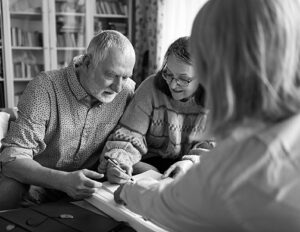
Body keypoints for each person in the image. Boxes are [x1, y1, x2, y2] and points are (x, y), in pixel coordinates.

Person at [113, 0, 300, 231]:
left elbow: (178, 203)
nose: (175, 84)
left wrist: (131, 191)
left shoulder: (245, 164)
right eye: (169, 74)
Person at [0, 30, 136, 210]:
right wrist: (62, 181)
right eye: (110, 75)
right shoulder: (45, 87)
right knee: (7, 189)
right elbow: (12, 161)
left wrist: (117, 163)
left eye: (125, 77)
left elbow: (124, 139)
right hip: (39, 182)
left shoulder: (126, 92)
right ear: (87, 62)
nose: (118, 87)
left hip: (92, 185)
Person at [98, 36, 213, 184]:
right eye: (168, 74)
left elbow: (213, 148)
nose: (172, 84)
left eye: (184, 79)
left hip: (189, 166)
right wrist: (119, 162)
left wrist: (190, 163)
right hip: (148, 165)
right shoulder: (150, 87)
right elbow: (129, 137)